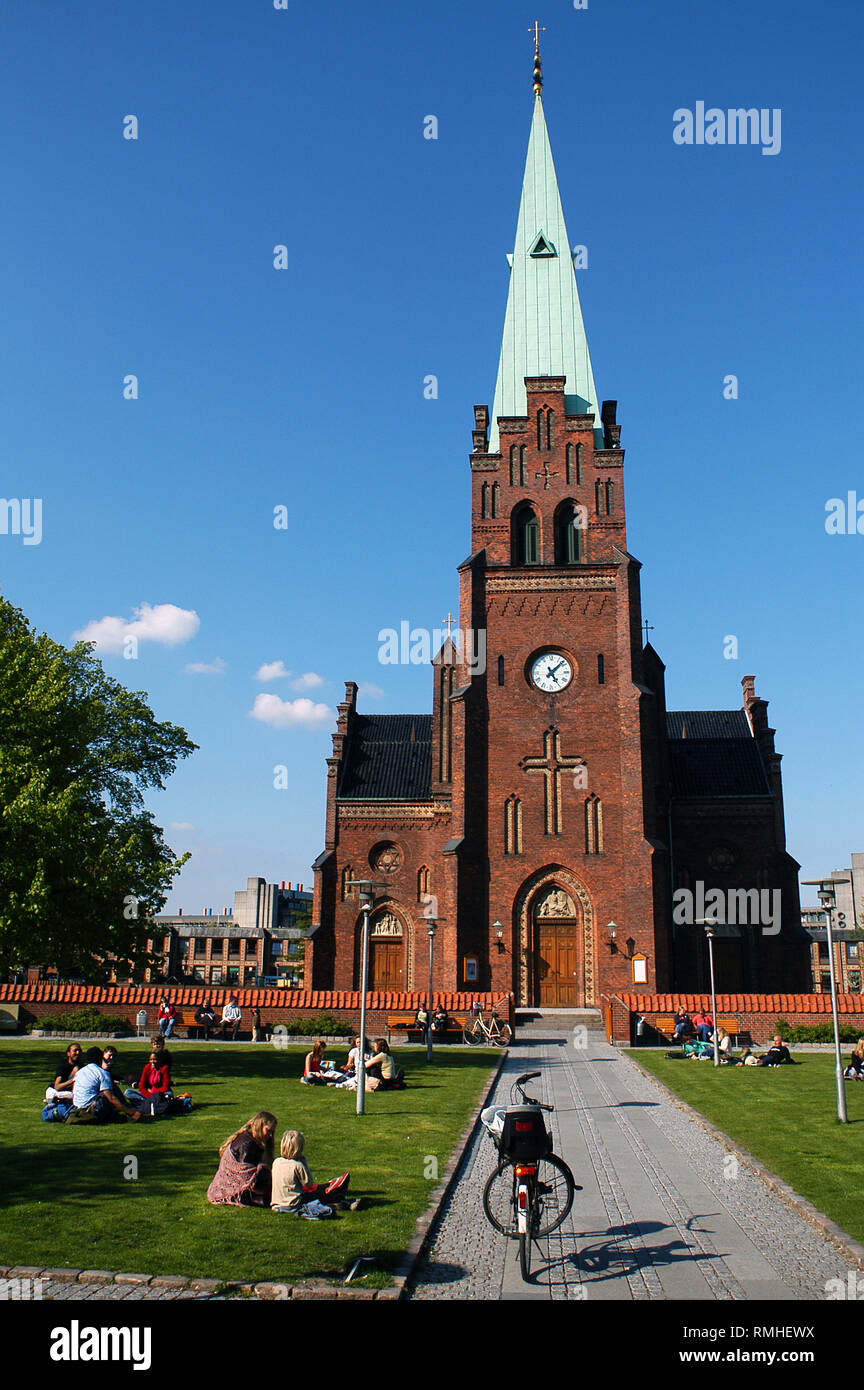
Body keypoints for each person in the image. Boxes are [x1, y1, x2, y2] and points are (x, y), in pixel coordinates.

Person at [271, 1131, 358, 1218]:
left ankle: (335, 1191)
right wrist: (304, 1164)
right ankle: (341, 1201)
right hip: (293, 1204)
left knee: (317, 1192)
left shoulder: (276, 1162)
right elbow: (309, 1184)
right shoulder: (297, 1165)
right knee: (319, 1194)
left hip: (277, 1205)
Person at [207, 1112, 276, 1207]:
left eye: (272, 1132)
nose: (271, 1135)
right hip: (234, 1190)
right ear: (259, 1126)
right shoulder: (248, 1144)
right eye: (268, 1131)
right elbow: (245, 1176)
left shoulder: (250, 1137)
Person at [70, 1047, 142, 1122]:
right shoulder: (102, 1073)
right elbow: (111, 1098)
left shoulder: (79, 1072)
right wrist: (131, 1112)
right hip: (92, 1109)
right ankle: (128, 1110)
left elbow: (73, 1091)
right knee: (109, 1090)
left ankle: (121, 1111)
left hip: (76, 1107)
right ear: (100, 1058)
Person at [125, 1048, 174, 1113]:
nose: (152, 1062)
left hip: (161, 1093)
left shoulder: (164, 1069)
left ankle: (146, 1104)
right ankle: (151, 1104)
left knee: (169, 1094)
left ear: (160, 1060)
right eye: (151, 1060)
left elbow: (165, 1087)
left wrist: (154, 1093)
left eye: (155, 1059)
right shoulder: (147, 1068)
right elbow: (141, 1086)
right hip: (149, 1095)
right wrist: (150, 1096)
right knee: (128, 1092)